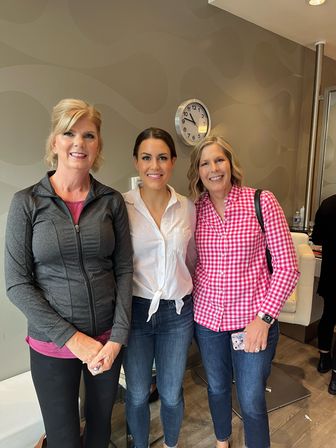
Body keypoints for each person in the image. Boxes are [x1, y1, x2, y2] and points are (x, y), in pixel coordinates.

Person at [4, 98, 133, 448]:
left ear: (98, 145)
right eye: (69, 132)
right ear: (54, 142)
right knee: (63, 439)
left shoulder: (111, 201)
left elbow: (123, 270)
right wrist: (74, 340)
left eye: (88, 135)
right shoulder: (27, 203)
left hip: (107, 343)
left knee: (100, 432)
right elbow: (17, 284)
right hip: (52, 346)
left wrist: (118, 337)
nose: (79, 143)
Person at [187, 136, 299, 448]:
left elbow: (288, 267)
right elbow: (192, 263)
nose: (213, 168)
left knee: (251, 400)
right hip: (208, 322)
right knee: (218, 388)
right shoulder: (195, 211)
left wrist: (263, 319)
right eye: (205, 163)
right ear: (197, 172)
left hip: (253, 322)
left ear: (231, 164)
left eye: (219, 160)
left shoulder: (261, 202)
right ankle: (223, 441)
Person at [123, 127, 196, 448]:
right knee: (137, 392)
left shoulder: (188, 208)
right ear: (136, 162)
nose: (155, 165)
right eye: (147, 157)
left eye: (163, 158)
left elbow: (192, 260)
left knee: (170, 391)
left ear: (174, 161)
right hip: (136, 313)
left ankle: (170, 444)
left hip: (177, 314)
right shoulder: (120, 206)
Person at [312, 194, 336, 395]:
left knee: (328, 316)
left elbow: (317, 238)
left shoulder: (329, 204)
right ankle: (335, 377)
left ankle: (323, 359)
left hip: (332, 272)